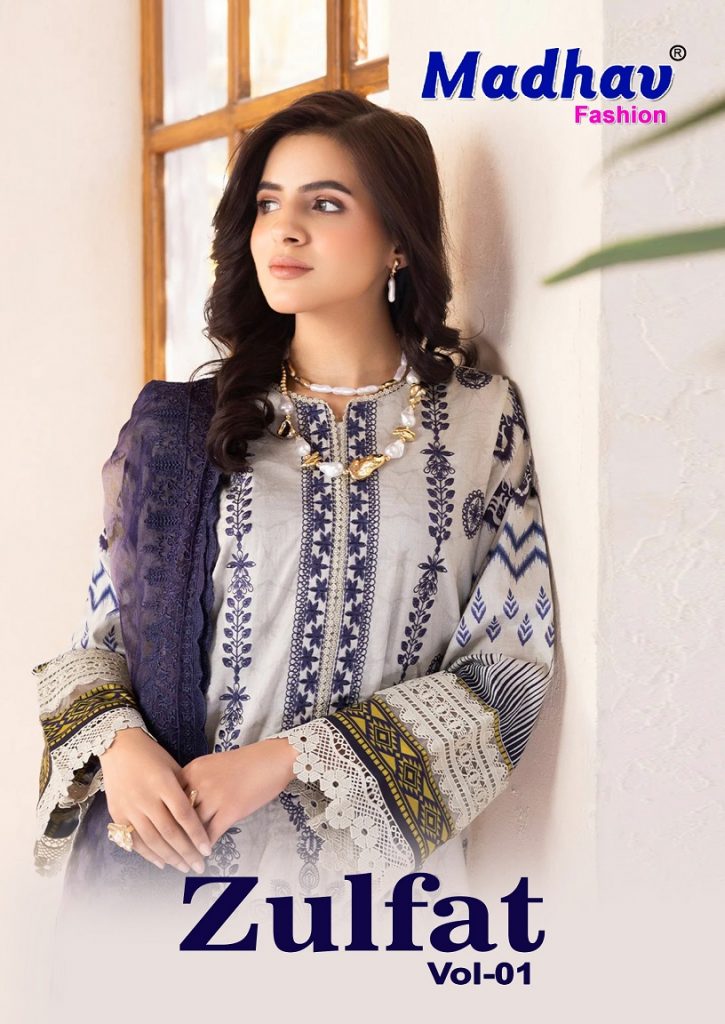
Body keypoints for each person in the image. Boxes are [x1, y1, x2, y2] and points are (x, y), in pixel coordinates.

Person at [32, 90, 556, 916]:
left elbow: (506, 671)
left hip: (374, 898)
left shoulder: (481, 420)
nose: (284, 229)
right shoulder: (185, 428)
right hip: (178, 877)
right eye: (268, 204)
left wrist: (284, 761)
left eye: (325, 203)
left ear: (397, 240)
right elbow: (97, 640)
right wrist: (123, 747)